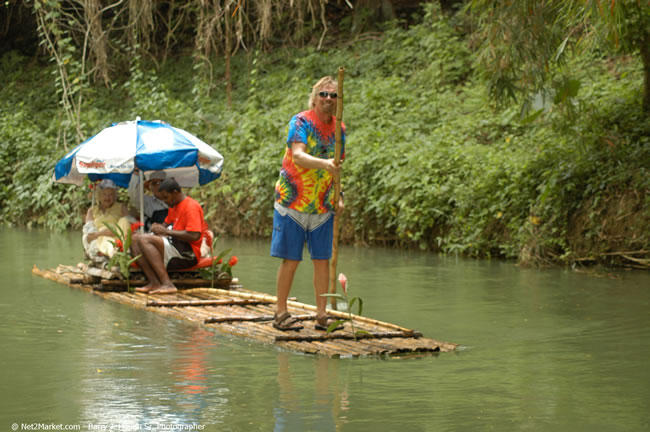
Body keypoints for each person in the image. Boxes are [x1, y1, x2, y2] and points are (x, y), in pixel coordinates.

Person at [271, 76, 346, 331]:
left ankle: (322, 315)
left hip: (322, 204)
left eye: (333, 96)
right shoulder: (301, 121)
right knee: (291, 259)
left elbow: (337, 167)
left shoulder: (339, 129)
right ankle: (280, 312)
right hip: (293, 201)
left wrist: (340, 194)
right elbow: (299, 156)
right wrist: (325, 164)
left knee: (322, 260)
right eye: (323, 94)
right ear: (314, 98)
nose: (328, 99)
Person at [132, 178, 208, 295]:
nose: (165, 201)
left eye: (166, 197)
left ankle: (167, 284)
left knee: (144, 239)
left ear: (175, 192)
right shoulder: (174, 205)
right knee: (134, 239)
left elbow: (194, 235)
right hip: (174, 245)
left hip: (188, 254)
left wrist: (166, 232)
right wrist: (157, 227)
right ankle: (154, 282)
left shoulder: (191, 206)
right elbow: (165, 225)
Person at [82, 179, 131, 263]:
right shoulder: (92, 211)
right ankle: (113, 253)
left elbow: (129, 225)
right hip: (101, 238)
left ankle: (126, 249)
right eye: (104, 194)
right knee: (104, 239)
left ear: (115, 196)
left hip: (120, 236)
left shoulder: (121, 207)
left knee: (124, 220)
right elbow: (89, 236)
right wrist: (103, 233)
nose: (107, 197)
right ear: (99, 196)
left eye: (111, 194)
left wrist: (114, 231)